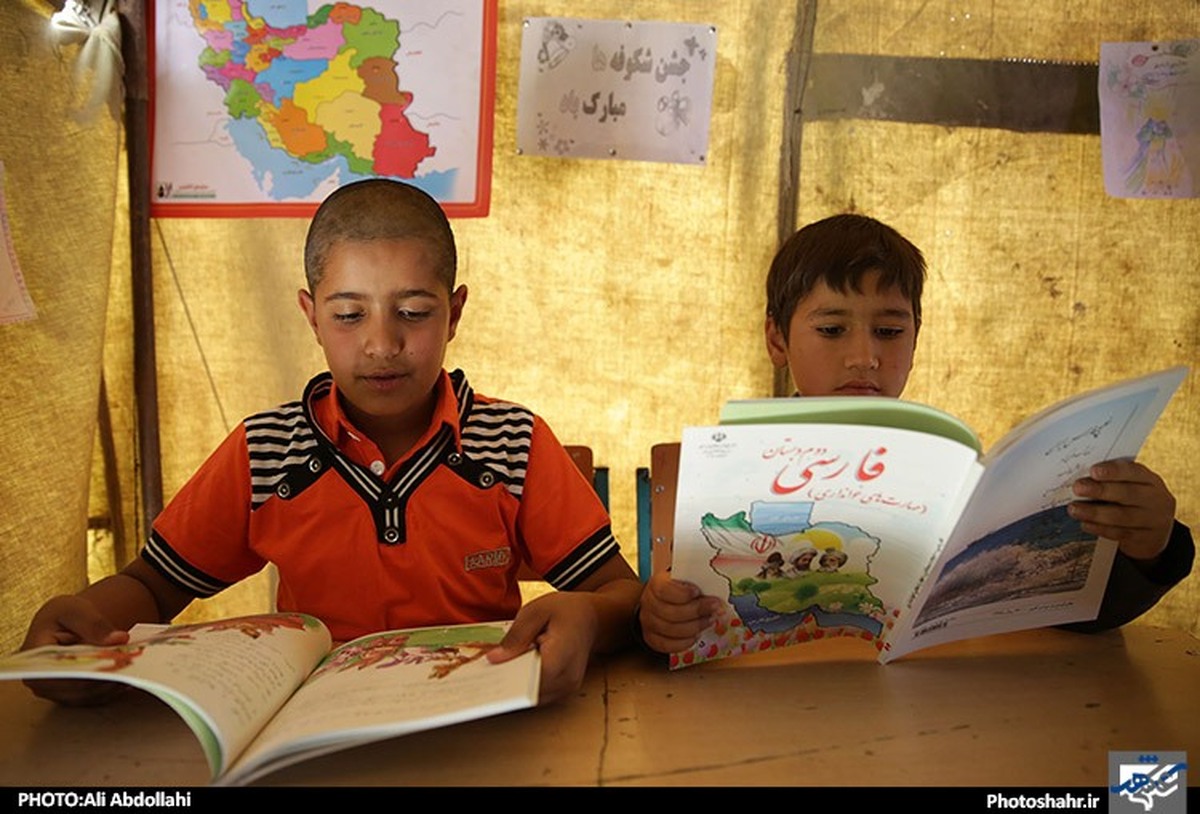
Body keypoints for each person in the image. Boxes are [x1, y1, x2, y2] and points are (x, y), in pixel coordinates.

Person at [24, 179, 642, 704]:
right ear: (311, 315)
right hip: (311, 729)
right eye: (349, 315)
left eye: (415, 312)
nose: (381, 344)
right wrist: (84, 630)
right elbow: (156, 585)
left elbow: (620, 592)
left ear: (454, 314)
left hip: (481, 721)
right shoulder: (265, 451)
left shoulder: (514, 443)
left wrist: (588, 616)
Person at [638, 213, 1194, 653]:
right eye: (832, 329)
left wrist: (1151, 549)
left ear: (916, 338)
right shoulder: (729, 473)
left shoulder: (952, 474)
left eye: (889, 331)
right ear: (777, 341)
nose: (865, 357)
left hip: (927, 716)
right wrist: (660, 613)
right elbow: (680, 616)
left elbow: (1072, 620)